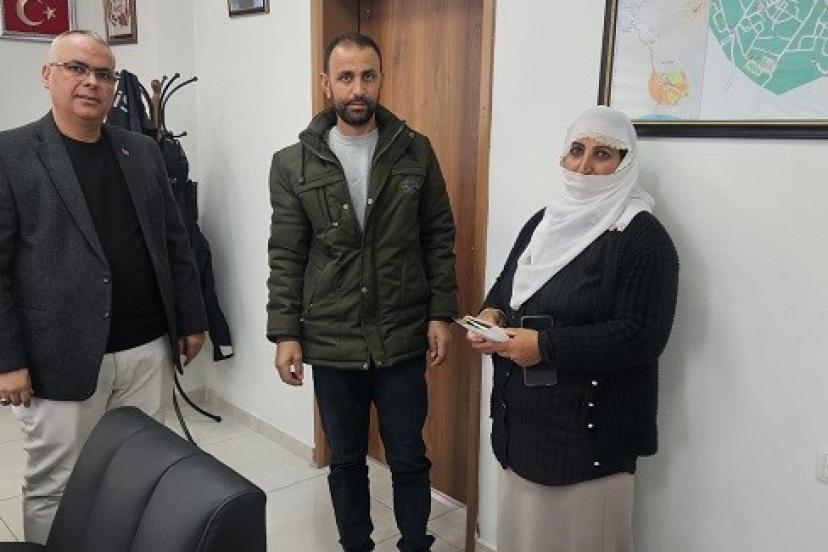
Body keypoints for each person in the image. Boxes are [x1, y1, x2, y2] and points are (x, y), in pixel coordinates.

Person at [0, 30, 207, 544]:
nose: (91, 82)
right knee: (56, 484)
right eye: (76, 68)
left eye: (104, 74)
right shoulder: (11, 154)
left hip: (147, 348)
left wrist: (191, 318)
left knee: (140, 472)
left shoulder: (143, 150)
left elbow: (174, 241)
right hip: (57, 358)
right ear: (47, 75)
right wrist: (7, 359)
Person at [266, 32, 457, 552]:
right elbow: (286, 254)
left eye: (367, 76)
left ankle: (415, 543)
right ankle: (356, 545)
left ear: (380, 79)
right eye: (346, 77)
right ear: (325, 83)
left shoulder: (415, 152)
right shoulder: (292, 164)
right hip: (332, 338)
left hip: (401, 335)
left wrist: (441, 314)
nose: (357, 89)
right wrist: (285, 333)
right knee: (346, 460)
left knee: (409, 456)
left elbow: (438, 237)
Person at [467, 106, 679, 551]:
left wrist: (545, 346)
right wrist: (492, 317)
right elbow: (507, 288)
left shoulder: (642, 238)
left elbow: (642, 336)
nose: (584, 166)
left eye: (602, 154)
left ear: (625, 164)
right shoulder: (543, 222)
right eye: (576, 150)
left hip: (589, 441)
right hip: (522, 428)